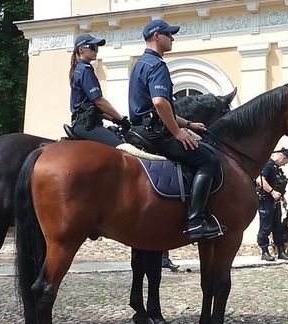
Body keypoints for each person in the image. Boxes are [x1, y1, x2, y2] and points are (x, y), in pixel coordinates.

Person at [128, 19, 225, 240]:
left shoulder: (140, 64)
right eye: (169, 34)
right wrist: (177, 133)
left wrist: (189, 125)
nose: (172, 38)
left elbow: (163, 108)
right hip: (156, 132)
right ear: (156, 37)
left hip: (140, 129)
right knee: (208, 159)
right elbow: (160, 103)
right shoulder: (157, 65)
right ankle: (195, 220)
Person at [69, 34, 130, 147]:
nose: (96, 50)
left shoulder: (79, 68)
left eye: (97, 47)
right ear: (81, 49)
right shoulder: (85, 70)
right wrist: (121, 119)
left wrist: (114, 119)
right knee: (122, 148)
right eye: (92, 47)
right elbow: (99, 101)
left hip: (84, 121)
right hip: (86, 124)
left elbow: (93, 109)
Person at [256, 148, 288, 261]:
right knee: (266, 226)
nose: (285, 164)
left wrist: (283, 197)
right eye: (286, 161)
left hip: (275, 202)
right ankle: (264, 251)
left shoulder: (276, 168)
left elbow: (277, 184)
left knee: (278, 227)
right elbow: (260, 179)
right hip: (266, 201)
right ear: (283, 158)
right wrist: (272, 192)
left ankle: (281, 251)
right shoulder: (268, 165)